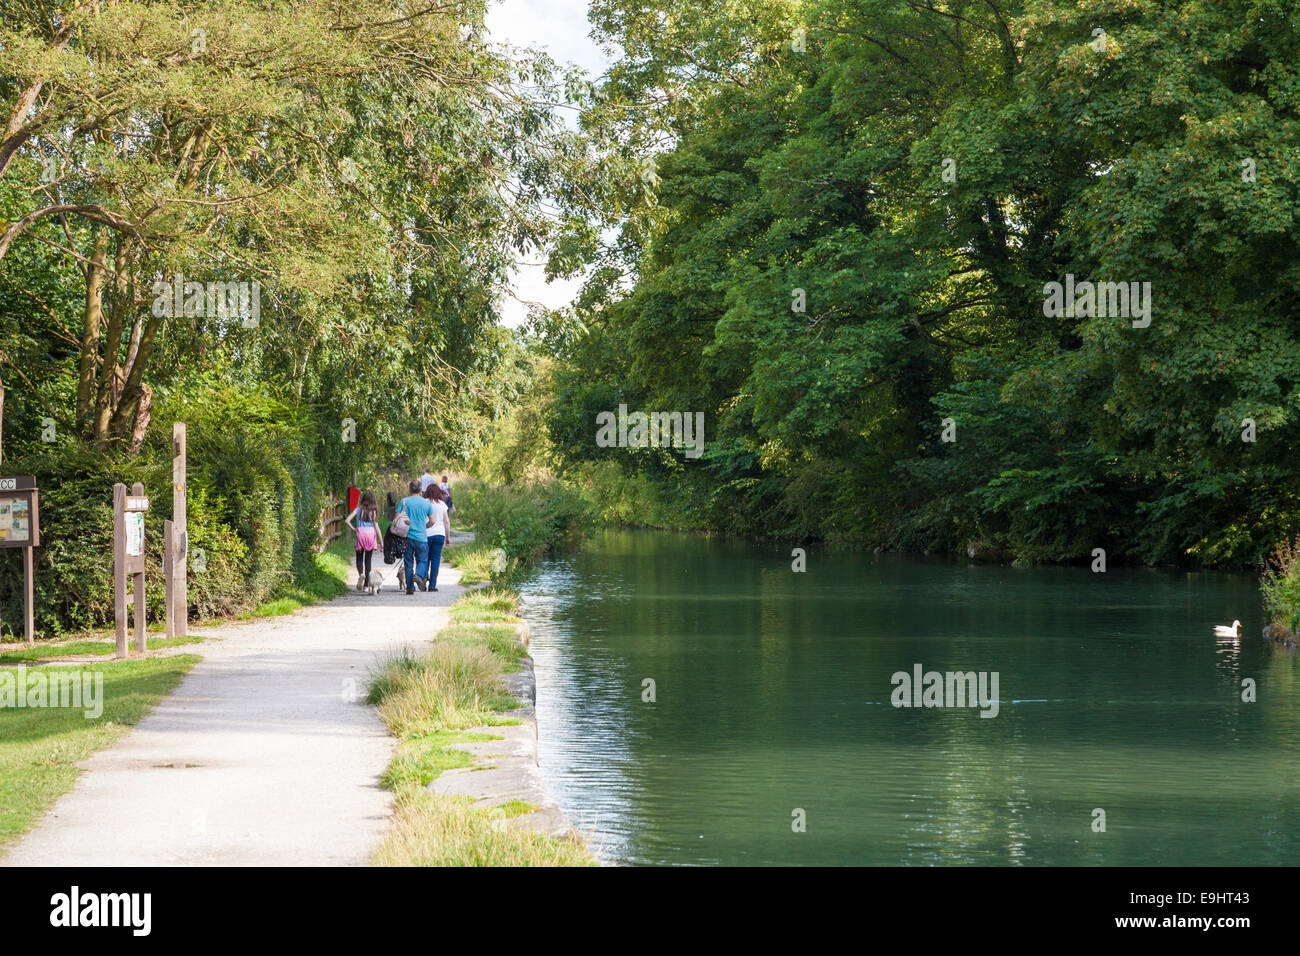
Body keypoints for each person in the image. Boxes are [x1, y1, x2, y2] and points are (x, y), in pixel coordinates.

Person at [397, 479, 435, 594]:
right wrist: (425, 526)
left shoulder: (404, 502)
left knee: (408, 562)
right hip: (422, 537)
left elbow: (397, 518)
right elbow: (433, 521)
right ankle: (418, 575)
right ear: (420, 490)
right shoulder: (426, 503)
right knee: (422, 560)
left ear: (409, 489)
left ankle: (410, 588)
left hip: (407, 537)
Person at [345, 490, 382, 591]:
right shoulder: (373, 511)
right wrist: (381, 542)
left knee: (359, 559)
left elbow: (347, 520)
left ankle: (361, 574)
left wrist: (353, 529)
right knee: (368, 560)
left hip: (360, 535)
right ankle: (366, 586)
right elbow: (377, 527)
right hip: (370, 536)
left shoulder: (358, 509)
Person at [422, 483, 453, 591]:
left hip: (426, 534)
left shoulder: (424, 503)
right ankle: (432, 586)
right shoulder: (442, 504)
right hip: (439, 535)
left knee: (425, 559)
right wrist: (448, 537)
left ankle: (423, 580)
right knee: (435, 560)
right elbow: (447, 522)